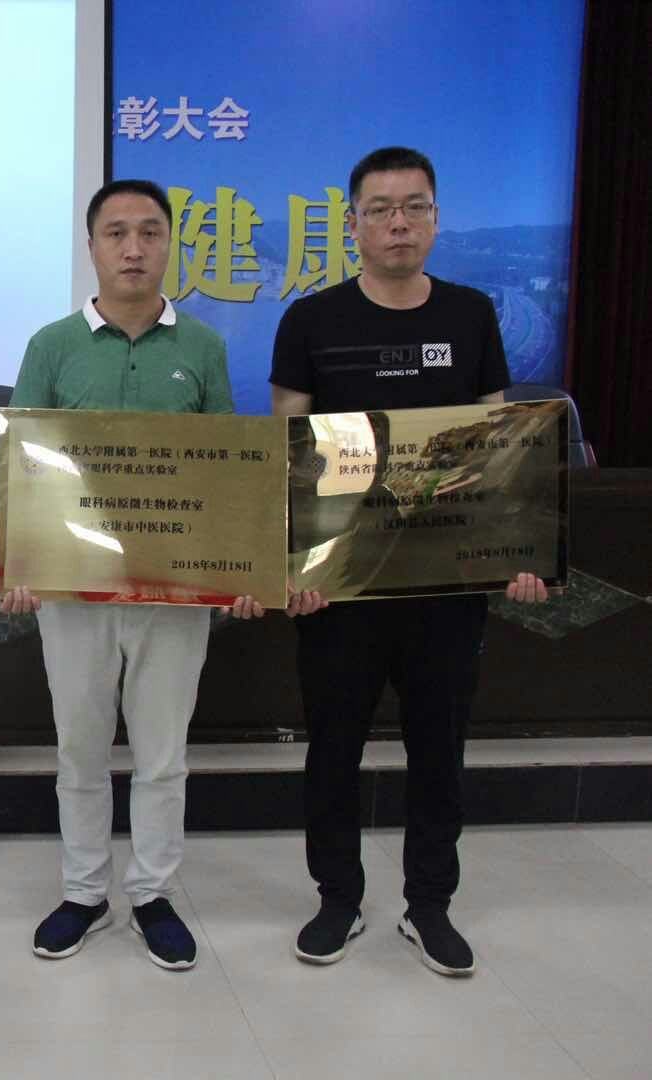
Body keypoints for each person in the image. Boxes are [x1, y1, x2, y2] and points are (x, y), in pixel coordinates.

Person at [269, 146, 550, 977]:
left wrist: (515, 553)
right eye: (381, 209)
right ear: (352, 223)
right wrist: (294, 569)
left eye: (414, 207)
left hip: (445, 585)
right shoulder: (311, 321)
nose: (399, 223)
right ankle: (338, 898)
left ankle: (429, 905)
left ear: (435, 218)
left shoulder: (471, 314)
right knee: (333, 749)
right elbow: (287, 457)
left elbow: (500, 450)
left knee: (439, 749)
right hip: (341, 589)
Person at [0, 179, 242, 971]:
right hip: (73, 590)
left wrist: (236, 565)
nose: (134, 248)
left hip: (174, 591)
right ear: (92, 245)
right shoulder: (52, 345)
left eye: (150, 232)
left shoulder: (202, 348)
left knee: (163, 755)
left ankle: (153, 893)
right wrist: (17, 562)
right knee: (81, 749)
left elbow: (225, 471)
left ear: (169, 244)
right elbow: (23, 463)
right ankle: (85, 891)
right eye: (116, 233)